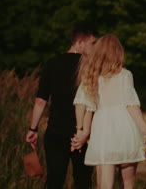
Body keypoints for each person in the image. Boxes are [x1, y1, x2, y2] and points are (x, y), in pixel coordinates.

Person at [70, 34, 146, 189]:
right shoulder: (125, 75)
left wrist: (81, 130)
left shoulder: (91, 76)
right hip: (126, 128)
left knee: (104, 184)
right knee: (128, 183)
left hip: (103, 131)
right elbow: (131, 105)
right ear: (118, 53)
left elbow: (84, 105)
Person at [25, 25, 97, 189]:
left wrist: (33, 128)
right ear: (80, 42)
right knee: (83, 181)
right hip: (84, 134)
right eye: (92, 43)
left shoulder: (52, 63)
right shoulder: (91, 67)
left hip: (56, 131)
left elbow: (41, 100)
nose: (95, 48)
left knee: (54, 180)